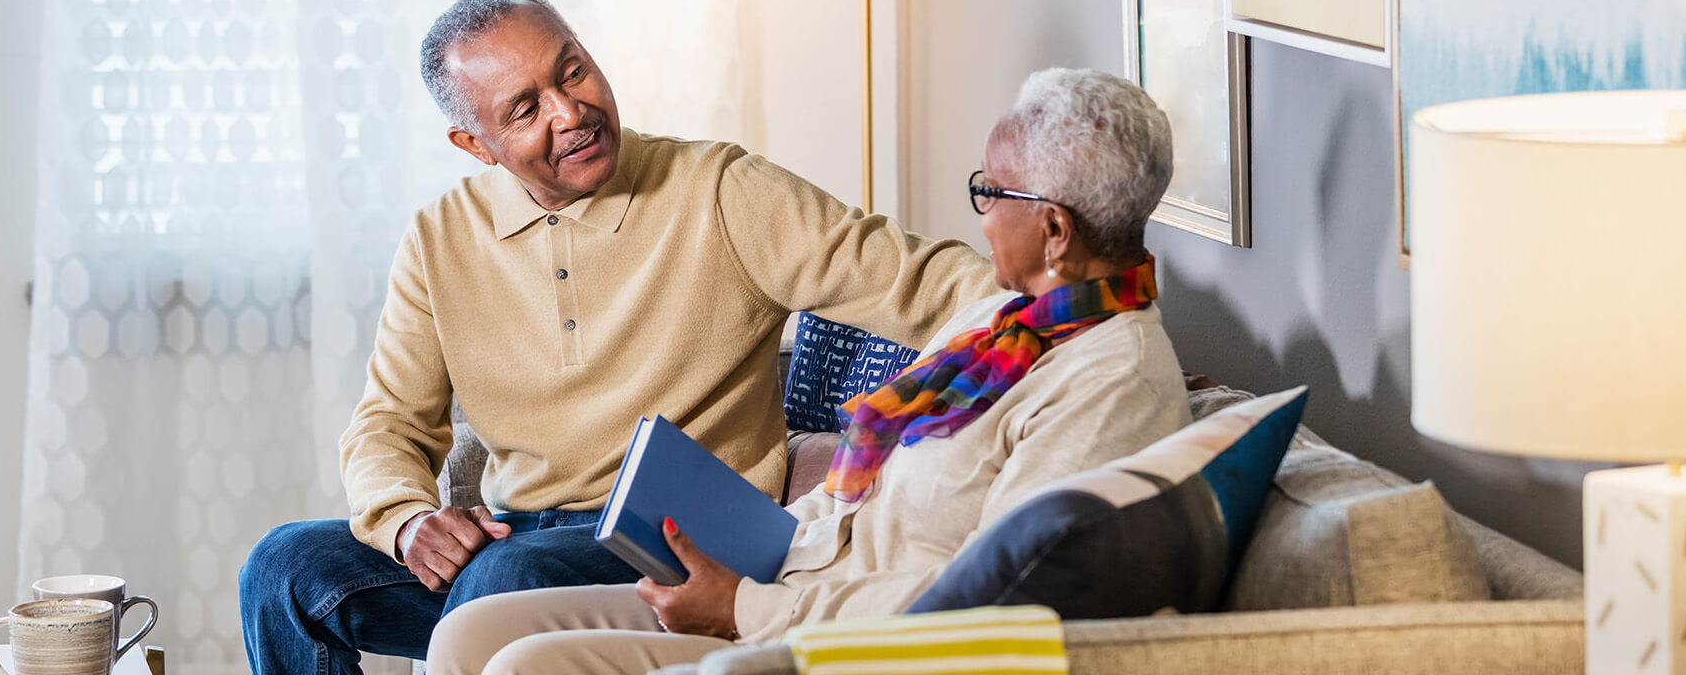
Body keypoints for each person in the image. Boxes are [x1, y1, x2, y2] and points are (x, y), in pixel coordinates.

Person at [237, 0, 997, 674]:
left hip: (680, 540)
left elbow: (925, 283)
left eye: (572, 72)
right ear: (475, 145)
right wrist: (408, 525)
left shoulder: (720, 190)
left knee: (501, 583)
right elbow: (386, 425)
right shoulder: (441, 238)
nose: (570, 112)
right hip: (518, 535)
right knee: (284, 568)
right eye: (525, 109)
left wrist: (1074, 302)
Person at [424, 68, 1195, 675]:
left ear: (1054, 230)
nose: (980, 213)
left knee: (523, 664)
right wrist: (743, 555)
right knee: (469, 634)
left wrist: (745, 610)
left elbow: (999, 607)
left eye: (989, 192)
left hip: (840, 640)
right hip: (784, 574)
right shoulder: (1002, 320)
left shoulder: (1110, 381)